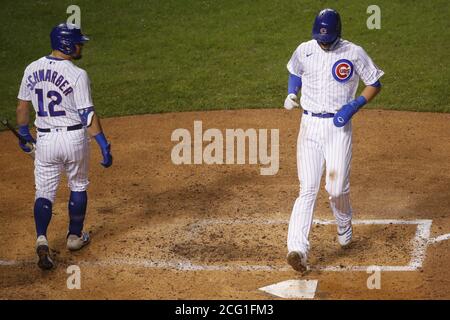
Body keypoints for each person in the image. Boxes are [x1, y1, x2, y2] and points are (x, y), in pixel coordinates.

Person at [283, 9, 384, 272]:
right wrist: (292, 92)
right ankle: (298, 250)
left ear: (338, 32)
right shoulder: (304, 49)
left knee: (336, 189)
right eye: (320, 37)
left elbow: (374, 82)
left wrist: (355, 105)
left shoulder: (353, 52)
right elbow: (294, 71)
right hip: (310, 127)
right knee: (307, 189)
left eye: (328, 38)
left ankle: (344, 221)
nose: (323, 42)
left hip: (338, 129)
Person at [16, 23, 113, 270]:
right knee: (78, 184)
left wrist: (24, 133)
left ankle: (41, 238)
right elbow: (87, 115)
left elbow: (22, 107)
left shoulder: (31, 68)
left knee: (44, 193)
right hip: (73, 139)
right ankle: (74, 237)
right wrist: (102, 143)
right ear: (67, 44)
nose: (81, 46)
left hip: (45, 140)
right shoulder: (77, 74)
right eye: (79, 42)